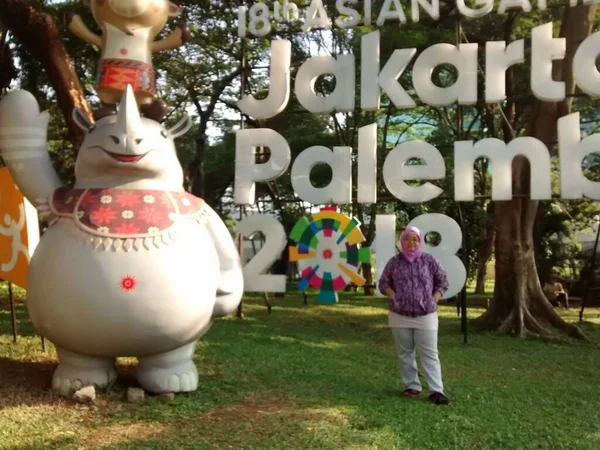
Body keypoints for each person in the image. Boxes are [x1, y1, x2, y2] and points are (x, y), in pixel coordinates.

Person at [378, 226, 450, 406]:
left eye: (415, 239)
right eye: (408, 239)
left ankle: (436, 390)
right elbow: (383, 282)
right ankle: (412, 386)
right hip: (399, 315)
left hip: (426, 314)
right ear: (402, 242)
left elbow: (443, 281)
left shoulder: (429, 260)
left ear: (420, 242)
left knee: (430, 354)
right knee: (405, 353)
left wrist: (434, 299)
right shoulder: (394, 262)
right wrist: (393, 296)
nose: (412, 242)